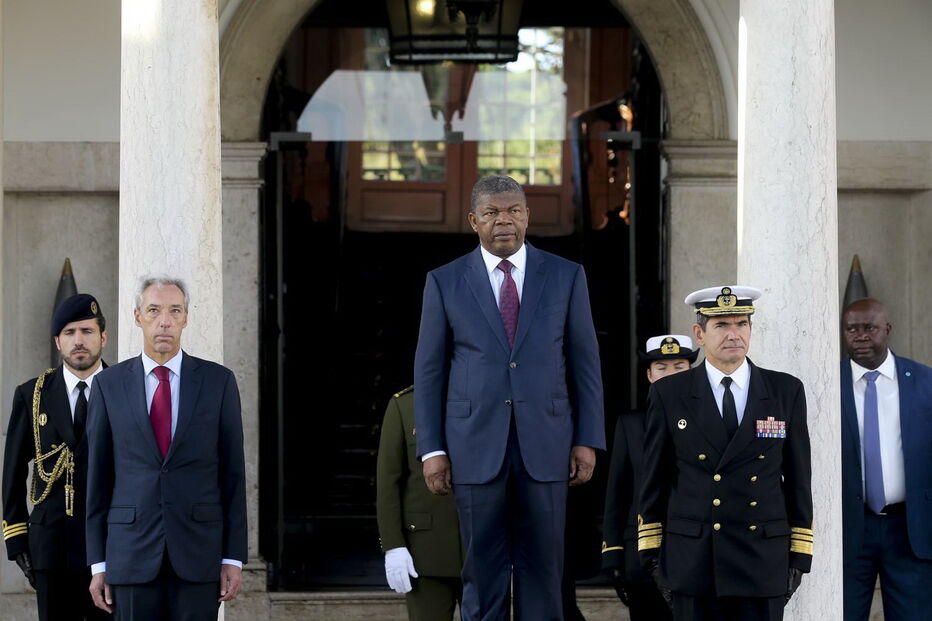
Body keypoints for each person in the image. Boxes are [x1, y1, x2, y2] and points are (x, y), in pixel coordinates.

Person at [414, 174, 605, 621]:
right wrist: (432, 449)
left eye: (514, 211)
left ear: (527, 216)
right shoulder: (443, 282)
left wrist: (587, 439)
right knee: (482, 572)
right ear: (473, 221)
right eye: (493, 213)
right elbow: (429, 371)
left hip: (548, 444)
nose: (505, 221)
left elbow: (585, 365)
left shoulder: (566, 275)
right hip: (473, 447)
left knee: (545, 571)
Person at [638, 286, 812, 621]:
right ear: (699, 334)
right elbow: (654, 480)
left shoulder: (784, 391)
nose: (734, 334)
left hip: (762, 560)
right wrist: (653, 557)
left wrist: (799, 556)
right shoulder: (669, 394)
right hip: (695, 563)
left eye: (741, 324)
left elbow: (798, 479)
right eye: (722, 325)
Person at [85, 277, 247, 620]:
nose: (164, 321)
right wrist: (98, 563)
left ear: (186, 317)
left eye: (175, 311)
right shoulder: (107, 386)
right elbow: (97, 481)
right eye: (154, 310)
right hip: (129, 556)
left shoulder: (219, 382)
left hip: (199, 553)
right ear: (137, 316)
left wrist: (232, 557)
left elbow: (232, 475)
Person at [2, 294, 111, 620]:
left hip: (110, 547)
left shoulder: (125, 388)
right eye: (69, 333)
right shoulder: (32, 394)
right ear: (57, 341)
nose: (79, 341)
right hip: (51, 546)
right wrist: (17, 539)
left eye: (87, 331)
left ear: (103, 337)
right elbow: (12, 471)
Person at [840, 298, 932, 620]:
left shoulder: (925, 383)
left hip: (910, 530)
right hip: (850, 530)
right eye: (852, 329)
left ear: (887, 330)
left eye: (870, 328)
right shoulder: (825, 384)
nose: (861, 336)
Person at [602, 334, 699, 621]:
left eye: (679, 366)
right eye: (662, 368)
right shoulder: (630, 425)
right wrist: (614, 555)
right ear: (649, 374)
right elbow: (616, 494)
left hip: (695, 554)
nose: (670, 375)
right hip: (642, 554)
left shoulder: (709, 420)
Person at [376, 385, 463, 620]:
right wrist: (393, 545)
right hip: (426, 551)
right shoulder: (404, 405)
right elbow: (388, 482)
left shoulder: (493, 397)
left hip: (484, 546)